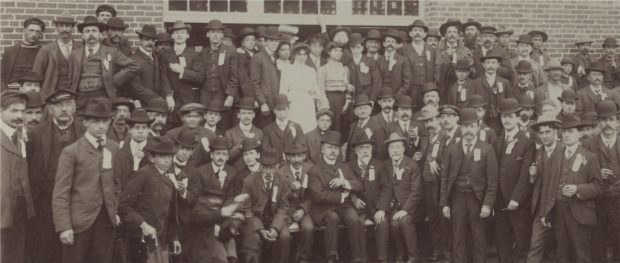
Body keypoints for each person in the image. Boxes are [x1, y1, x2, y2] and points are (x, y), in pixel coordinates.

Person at [52, 98, 121, 263]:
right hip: (78, 223)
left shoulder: (113, 148)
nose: (101, 126)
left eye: (105, 121)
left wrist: (114, 209)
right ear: (85, 122)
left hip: (105, 220)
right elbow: (60, 193)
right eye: (95, 121)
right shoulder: (72, 152)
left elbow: (116, 184)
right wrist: (64, 226)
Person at [26, 89, 83, 263]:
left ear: (74, 107)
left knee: (74, 251)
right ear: (50, 110)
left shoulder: (84, 132)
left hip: (77, 202)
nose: (64, 109)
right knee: (45, 249)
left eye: (68, 104)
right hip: (44, 203)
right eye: (58, 105)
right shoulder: (35, 134)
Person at [537, 114, 603, 263]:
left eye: (571, 131)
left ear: (579, 133)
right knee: (562, 254)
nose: (566, 135)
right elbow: (549, 185)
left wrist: (577, 189)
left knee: (582, 255)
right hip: (559, 212)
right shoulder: (556, 155)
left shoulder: (589, 157)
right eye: (564, 131)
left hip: (580, 213)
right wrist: (546, 212)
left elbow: (599, 186)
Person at [440, 107, 498, 263]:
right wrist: (444, 203)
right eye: (465, 126)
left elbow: (493, 180)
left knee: (479, 237)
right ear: (460, 127)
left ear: (478, 127)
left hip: (477, 199)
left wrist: (487, 204)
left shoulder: (487, 149)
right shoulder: (452, 149)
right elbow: (444, 178)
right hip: (457, 198)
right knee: (458, 236)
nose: (469, 130)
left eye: (472, 126)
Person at [119, 136, 182, 263]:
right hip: (141, 238)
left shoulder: (169, 181)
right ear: (152, 158)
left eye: (169, 156)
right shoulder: (144, 174)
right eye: (162, 156)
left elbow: (171, 215)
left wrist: (174, 237)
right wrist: (143, 225)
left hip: (161, 240)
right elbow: (123, 206)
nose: (167, 160)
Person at [308, 131, 365, 263]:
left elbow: (359, 185)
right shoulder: (315, 169)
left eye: (336, 148)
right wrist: (343, 196)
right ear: (322, 149)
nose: (333, 151)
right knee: (332, 218)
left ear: (339, 151)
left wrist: (344, 182)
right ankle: (331, 257)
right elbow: (318, 196)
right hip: (322, 209)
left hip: (343, 207)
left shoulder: (344, 167)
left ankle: (356, 258)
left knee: (354, 218)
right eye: (329, 147)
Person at [494, 98, 535, 263]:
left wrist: (516, 198)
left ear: (518, 117)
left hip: (517, 202)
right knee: (502, 241)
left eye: (510, 116)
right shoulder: (497, 141)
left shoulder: (527, 143)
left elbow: (525, 174)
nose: (506, 120)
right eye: (504, 117)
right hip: (499, 202)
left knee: (521, 239)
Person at [68, 16, 140, 109]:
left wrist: (115, 79)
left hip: (102, 95)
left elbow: (134, 65)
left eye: (94, 31)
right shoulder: (75, 54)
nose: (91, 34)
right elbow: (70, 80)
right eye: (87, 31)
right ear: (82, 35)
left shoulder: (111, 52)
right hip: (80, 97)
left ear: (100, 34)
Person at [582, 100, 620, 262]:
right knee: (597, 241)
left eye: (611, 119)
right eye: (604, 120)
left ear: (617, 121)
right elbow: (581, 174)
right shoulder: (588, 144)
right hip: (598, 202)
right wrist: (597, 173)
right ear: (598, 122)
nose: (608, 124)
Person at [1, 90, 36, 263]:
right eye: (14, 111)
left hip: (19, 209)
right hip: (1, 210)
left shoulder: (21, 135)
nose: (19, 115)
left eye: (22, 111)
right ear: (1, 111)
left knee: (15, 255)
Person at [239, 149, 291, 263]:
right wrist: (260, 228)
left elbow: (283, 207)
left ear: (277, 166)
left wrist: (275, 228)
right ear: (260, 166)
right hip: (256, 220)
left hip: (275, 220)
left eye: (271, 168)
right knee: (255, 239)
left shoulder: (283, 180)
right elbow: (246, 209)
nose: (268, 171)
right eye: (265, 167)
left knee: (285, 237)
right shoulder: (249, 181)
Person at [347, 131, 391, 263]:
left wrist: (381, 209)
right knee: (357, 224)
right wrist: (353, 199)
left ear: (372, 149)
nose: (365, 151)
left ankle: (382, 259)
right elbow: (344, 188)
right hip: (359, 209)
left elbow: (386, 188)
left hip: (376, 206)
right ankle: (362, 258)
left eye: (367, 148)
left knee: (382, 224)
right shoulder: (349, 166)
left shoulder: (379, 165)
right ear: (355, 151)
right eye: (361, 148)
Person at [380, 132, 424, 262]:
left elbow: (417, 192)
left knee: (404, 221)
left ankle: (413, 255)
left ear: (404, 149)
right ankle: (401, 252)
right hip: (395, 206)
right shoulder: (386, 166)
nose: (395, 151)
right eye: (392, 148)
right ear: (388, 151)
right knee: (394, 224)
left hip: (413, 206)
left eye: (398, 147)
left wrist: (405, 210)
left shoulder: (412, 165)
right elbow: (384, 189)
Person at [417, 105, 451, 261]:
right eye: (426, 122)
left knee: (443, 217)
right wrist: (421, 158)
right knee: (433, 218)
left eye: (431, 120)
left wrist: (434, 161)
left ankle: (447, 250)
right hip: (427, 185)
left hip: (440, 184)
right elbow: (425, 158)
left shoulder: (446, 137)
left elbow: (449, 159)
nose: (429, 124)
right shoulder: (424, 138)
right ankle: (437, 248)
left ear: (438, 119)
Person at [526, 116, 562, 263]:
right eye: (541, 133)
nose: (545, 136)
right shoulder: (539, 152)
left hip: (560, 208)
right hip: (541, 208)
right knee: (535, 246)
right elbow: (537, 183)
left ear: (555, 132)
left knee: (562, 248)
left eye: (548, 132)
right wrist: (532, 176)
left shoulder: (564, 149)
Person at [170, 128, 202, 263]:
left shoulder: (194, 172)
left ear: (192, 151)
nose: (184, 152)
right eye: (182, 148)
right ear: (176, 147)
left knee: (180, 257)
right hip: (161, 216)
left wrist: (183, 192)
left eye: (188, 149)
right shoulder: (165, 163)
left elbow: (193, 198)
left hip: (181, 222)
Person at [200, 19, 240, 131]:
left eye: (218, 32)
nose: (215, 35)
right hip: (205, 94)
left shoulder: (230, 51)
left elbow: (234, 76)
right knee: (204, 123)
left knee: (223, 123)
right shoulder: (203, 52)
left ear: (222, 35)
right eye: (212, 32)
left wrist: (230, 96)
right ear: (207, 34)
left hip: (222, 94)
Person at [278, 143, 314, 263]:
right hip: (286, 210)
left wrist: (303, 210)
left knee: (308, 228)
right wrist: (290, 190)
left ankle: (303, 259)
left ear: (304, 156)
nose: (297, 160)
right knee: (284, 236)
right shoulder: (281, 172)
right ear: (287, 157)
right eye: (293, 156)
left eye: (300, 156)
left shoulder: (310, 169)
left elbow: (313, 194)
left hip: (303, 209)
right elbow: (278, 197)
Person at [279, 43, 328, 133]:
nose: (302, 57)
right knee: (294, 127)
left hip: (308, 101)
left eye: (305, 54)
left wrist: (314, 92)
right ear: (294, 55)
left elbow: (316, 87)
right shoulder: (288, 69)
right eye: (299, 54)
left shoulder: (311, 70)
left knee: (308, 127)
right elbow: (283, 89)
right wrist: (287, 103)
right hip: (294, 102)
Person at [32, 11, 80, 98]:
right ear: (56, 28)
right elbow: (36, 76)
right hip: (51, 94)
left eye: (68, 26)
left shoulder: (80, 48)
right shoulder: (46, 49)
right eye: (61, 26)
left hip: (74, 94)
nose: (64, 29)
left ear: (73, 28)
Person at [124, 24, 172, 106]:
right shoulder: (132, 59)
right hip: (141, 104)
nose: (150, 43)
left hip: (157, 104)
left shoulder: (156, 57)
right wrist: (157, 98)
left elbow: (162, 78)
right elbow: (135, 87)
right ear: (140, 40)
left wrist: (168, 95)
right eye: (147, 39)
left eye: (153, 40)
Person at [162, 20, 203, 113]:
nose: (179, 35)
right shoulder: (165, 54)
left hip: (190, 99)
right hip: (172, 100)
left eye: (182, 33)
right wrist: (168, 95)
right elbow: (163, 76)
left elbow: (200, 77)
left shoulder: (195, 54)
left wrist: (182, 71)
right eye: (176, 33)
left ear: (187, 35)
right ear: (172, 36)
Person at [471, 48, 515, 133]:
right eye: (488, 62)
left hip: (499, 124)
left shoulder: (504, 83)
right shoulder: (475, 83)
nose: (490, 66)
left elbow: (510, 104)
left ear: (498, 65)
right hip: (481, 123)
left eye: (493, 62)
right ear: (483, 65)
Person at [398, 20, 437, 109]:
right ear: (410, 33)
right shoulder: (403, 50)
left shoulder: (432, 50)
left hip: (427, 90)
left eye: (420, 30)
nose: (418, 33)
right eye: (415, 30)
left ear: (425, 34)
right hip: (410, 90)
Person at [1, 17, 45, 91]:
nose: (34, 34)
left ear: (41, 34)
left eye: (37, 31)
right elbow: (2, 75)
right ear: (24, 31)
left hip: (34, 92)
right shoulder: (10, 51)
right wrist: (4, 93)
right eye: (31, 30)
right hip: (12, 92)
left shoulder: (45, 51)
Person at [112, 109, 153, 188]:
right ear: (130, 130)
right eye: (137, 127)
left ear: (148, 130)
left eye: (144, 128)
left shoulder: (154, 151)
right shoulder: (120, 151)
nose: (140, 131)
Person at [318, 42, 353, 133]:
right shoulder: (323, 69)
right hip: (330, 98)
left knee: (343, 124)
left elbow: (347, 85)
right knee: (332, 123)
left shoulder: (345, 68)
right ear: (329, 52)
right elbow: (321, 88)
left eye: (340, 51)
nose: (338, 53)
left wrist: (348, 100)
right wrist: (325, 103)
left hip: (343, 98)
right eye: (335, 50)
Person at [251, 26, 282, 127]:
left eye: (277, 41)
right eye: (271, 40)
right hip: (265, 104)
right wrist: (263, 102)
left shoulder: (274, 57)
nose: (274, 43)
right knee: (265, 132)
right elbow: (255, 83)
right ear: (266, 41)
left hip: (274, 104)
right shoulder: (258, 58)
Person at [436, 19, 473, 100]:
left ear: (458, 35)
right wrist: (446, 55)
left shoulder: (465, 50)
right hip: (444, 86)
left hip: (461, 85)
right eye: (449, 32)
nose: (452, 35)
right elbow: (437, 70)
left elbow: (470, 68)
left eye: (454, 32)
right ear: (445, 35)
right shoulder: (438, 50)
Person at [262, 94, 304, 164]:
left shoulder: (297, 127)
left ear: (289, 109)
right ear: (274, 110)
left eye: (284, 109)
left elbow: (301, 146)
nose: (281, 113)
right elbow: (266, 149)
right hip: (275, 165)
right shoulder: (267, 129)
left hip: (293, 163)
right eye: (279, 109)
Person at [225, 97, 264, 168]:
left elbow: (262, 154)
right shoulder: (230, 133)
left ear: (253, 115)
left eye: (249, 113)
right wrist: (241, 146)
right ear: (238, 115)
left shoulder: (259, 132)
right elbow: (227, 156)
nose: (246, 116)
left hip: (255, 173)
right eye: (243, 113)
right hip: (236, 172)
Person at [347, 33, 382, 102]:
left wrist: (372, 99)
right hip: (354, 97)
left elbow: (376, 81)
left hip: (367, 96)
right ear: (350, 49)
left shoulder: (370, 61)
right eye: (353, 48)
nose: (355, 51)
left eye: (358, 47)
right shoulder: (348, 63)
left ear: (362, 48)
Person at [380, 29, 412, 99]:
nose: (390, 44)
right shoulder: (379, 60)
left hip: (398, 97)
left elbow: (407, 82)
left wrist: (397, 96)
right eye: (388, 41)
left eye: (393, 42)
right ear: (384, 44)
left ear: (396, 45)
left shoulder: (403, 60)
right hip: (382, 97)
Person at [368, 87, 397, 160]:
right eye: (384, 101)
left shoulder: (400, 117)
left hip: (397, 157)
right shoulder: (373, 120)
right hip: (379, 159)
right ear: (379, 102)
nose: (387, 104)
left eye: (389, 101)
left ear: (393, 102)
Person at [237, 27, 259, 100]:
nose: (251, 42)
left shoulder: (258, 54)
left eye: (253, 39)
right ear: (242, 43)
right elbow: (243, 79)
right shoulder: (240, 55)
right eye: (248, 40)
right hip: (246, 92)